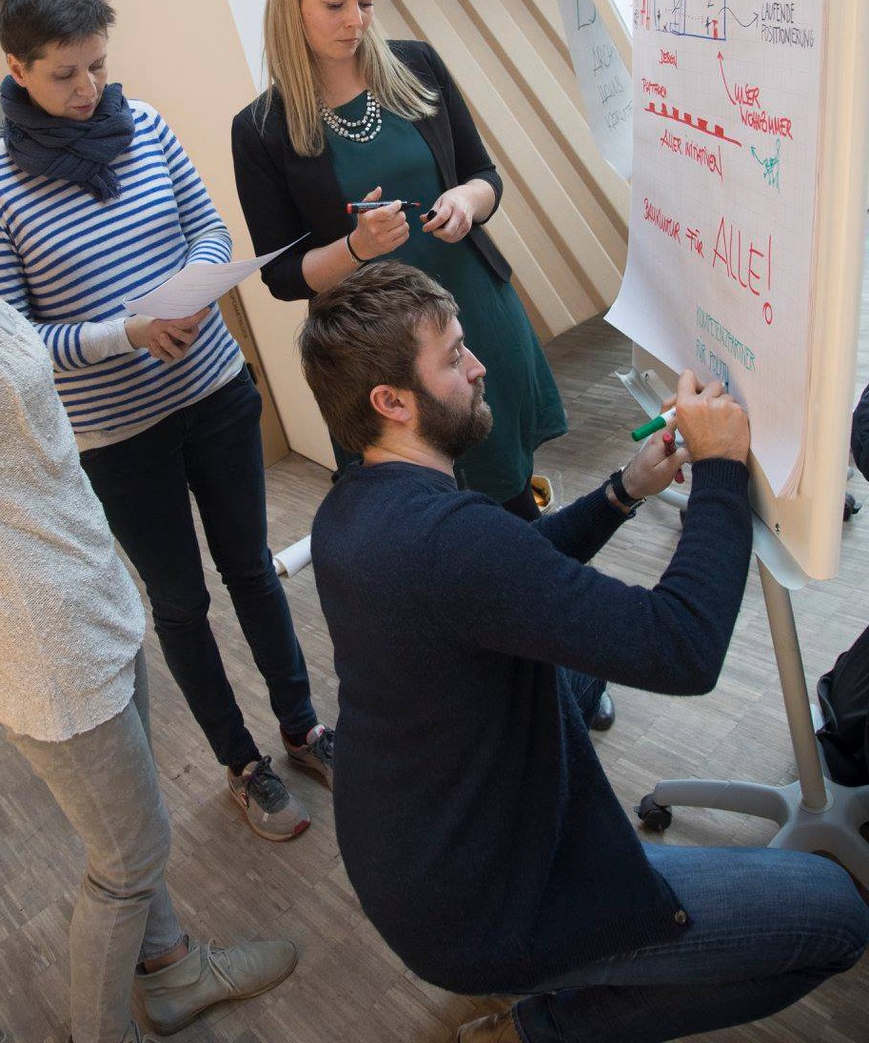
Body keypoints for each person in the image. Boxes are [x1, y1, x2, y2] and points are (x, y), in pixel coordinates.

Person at [0, 62, 297, 1043]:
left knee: (132, 825)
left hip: (87, 601)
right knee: (128, 856)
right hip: (40, 637)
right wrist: (2, 545)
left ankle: (172, 973)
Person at [297, 260, 869, 1043]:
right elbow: (683, 648)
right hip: (481, 911)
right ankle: (544, 1027)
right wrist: (720, 471)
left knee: (577, 666)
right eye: (455, 356)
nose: (480, 365)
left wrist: (621, 491)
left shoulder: (352, 509)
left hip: (411, 853)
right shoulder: (449, 542)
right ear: (392, 402)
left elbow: (513, 571)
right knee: (836, 918)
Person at [0, 0, 331, 843]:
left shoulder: (147, 125)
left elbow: (209, 230)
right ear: (16, 67)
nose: (89, 89)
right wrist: (125, 332)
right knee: (180, 602)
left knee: (252, 568)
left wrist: (192, 286)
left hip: (215, 390)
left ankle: (304, 726)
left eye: (97, 65)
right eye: (65, 74)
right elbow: (16, 339)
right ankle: (242, 765)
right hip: (117, 436)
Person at [231, 0, 566, 523]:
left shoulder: (417, 65)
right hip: (376, 352)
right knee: (418, 520)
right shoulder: (260, 129)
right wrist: (356, 248)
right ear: (290, 3)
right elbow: (281, 277)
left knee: (511, 499)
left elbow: (484, 177)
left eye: (366, 2)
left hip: (470, 312)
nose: (355, 21)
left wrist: (466, 202)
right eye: (335, 4)